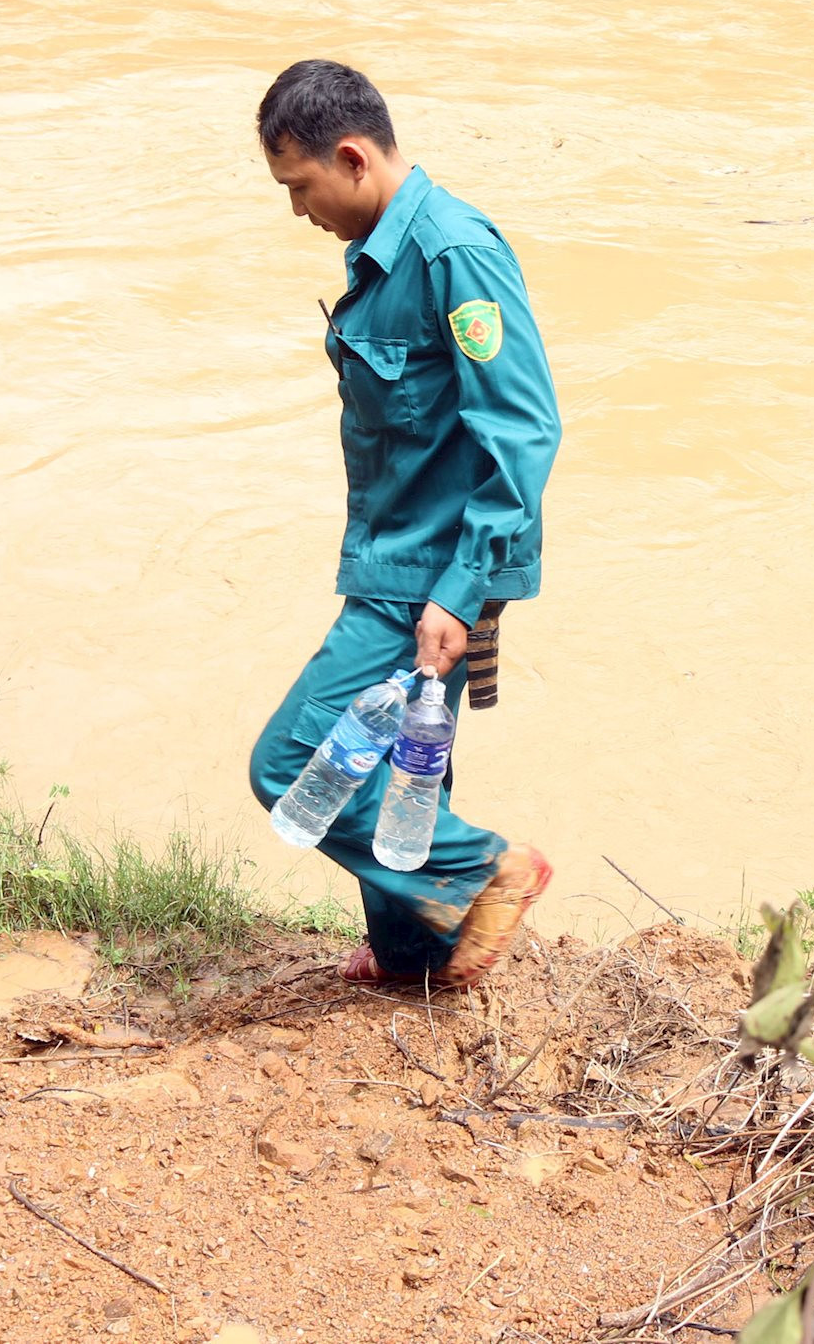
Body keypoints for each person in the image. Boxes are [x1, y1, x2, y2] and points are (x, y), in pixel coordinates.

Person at [246, 60, 559, 988]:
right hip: (396, 557)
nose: (299, 210)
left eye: (300, 187)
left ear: (351, 158)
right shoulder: (384, 246)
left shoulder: (452, 253)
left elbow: (524, 427)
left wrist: (463, 592)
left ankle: (485, 869)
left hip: (430, 572)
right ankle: (416, 956)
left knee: (293, 761)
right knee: (399, 762)